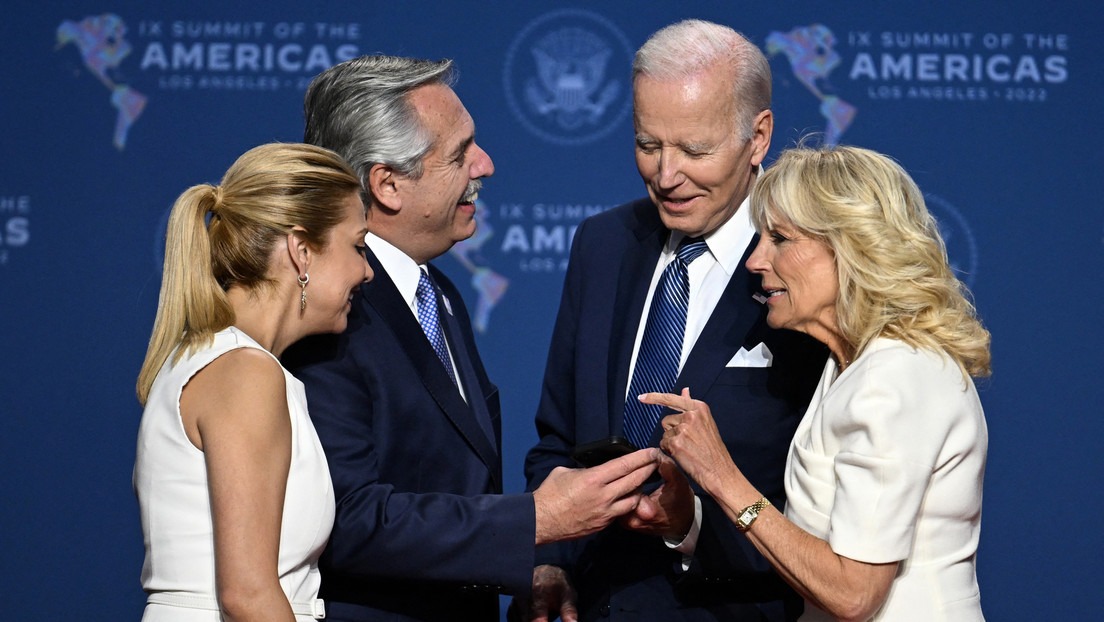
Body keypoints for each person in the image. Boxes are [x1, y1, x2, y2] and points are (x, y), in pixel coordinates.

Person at [283, 55, 659, 622]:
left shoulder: (440, 295)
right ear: (387, 184)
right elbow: (346, 518)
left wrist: (533, 559)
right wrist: (535, 521)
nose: (485, 164)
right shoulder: (331, 310)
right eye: (460, 153)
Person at [520, 20, 828, 622]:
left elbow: (833, 501)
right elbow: (557, 441)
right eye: (648, 144)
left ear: (758, 136)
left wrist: (691, 526)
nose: (665, 175)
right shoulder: (603, 244)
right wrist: (550, 560)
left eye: (694, 150)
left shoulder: (810, 262)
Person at [647, 143, 991, 621]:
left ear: (850, 247)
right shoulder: (849, 365)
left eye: (780, 239)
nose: (755, 260)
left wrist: (720, 476)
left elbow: (853, 593)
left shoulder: (896, 375)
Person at [133, 142, 371, 621]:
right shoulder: (245, 372)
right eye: (358, 246)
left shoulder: (218, 358)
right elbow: (248, 595)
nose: (366, 272)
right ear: (302, 251)